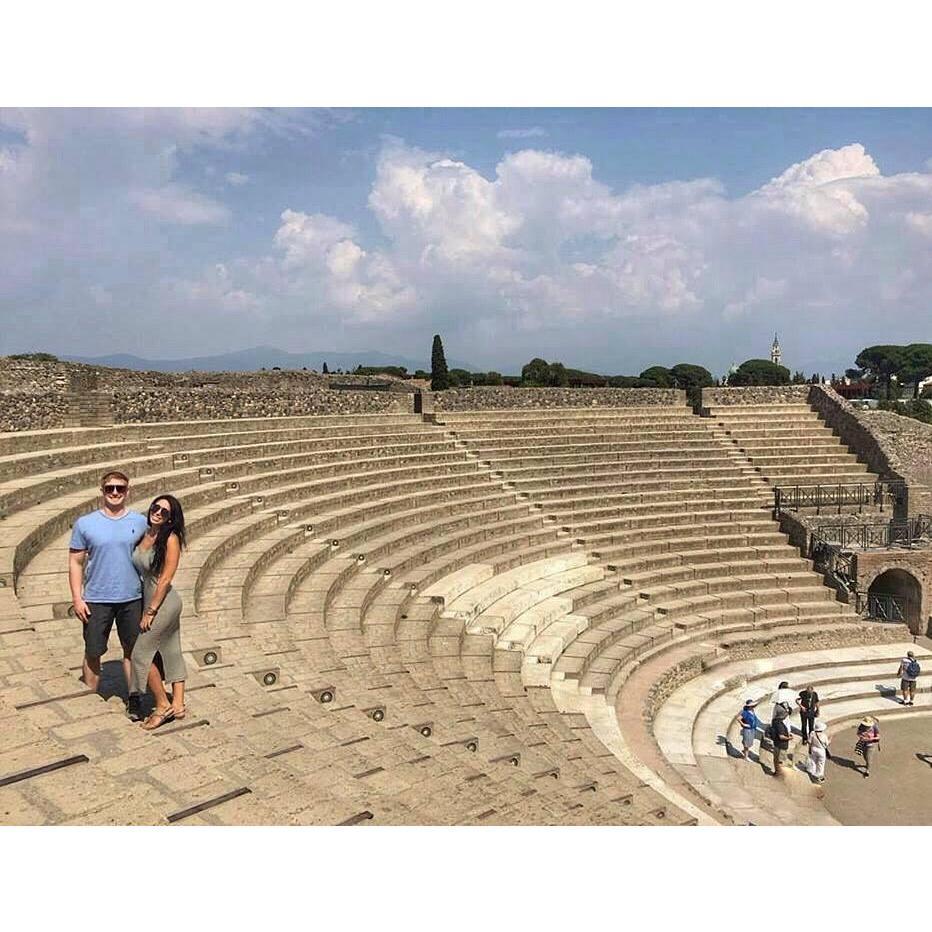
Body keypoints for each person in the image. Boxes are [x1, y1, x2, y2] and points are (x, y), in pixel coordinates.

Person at [69, 471, 148, 720]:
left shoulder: (140, 521)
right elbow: (75, 562)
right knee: (93, 651)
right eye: (110, 488)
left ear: (128, 490)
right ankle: (89, 698)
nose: (115, 493)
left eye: (120, 488)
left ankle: (134, 699)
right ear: (102, 491)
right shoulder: (85, 523)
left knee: (132, 650)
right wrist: (77, 598)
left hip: (132, 596)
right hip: (96, 597)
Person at [129, 494, 188, 731]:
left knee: (140, 653)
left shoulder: (170, 538)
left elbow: (165, 579)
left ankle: (162, 706)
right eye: (156, 507)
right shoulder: (145, 534)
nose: (158, 513)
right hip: (150, 597)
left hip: (163, 602)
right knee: (171, 648)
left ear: (171, 518)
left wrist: (150, 611)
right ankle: (179, 703)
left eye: (165, 512)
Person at [771, 711, 791, 775]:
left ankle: (777, 772)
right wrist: (789, 738)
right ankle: (779, 773)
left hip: (776, 743)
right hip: (781, 745)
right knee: (780, 760)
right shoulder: (780, 725)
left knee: (776, 759)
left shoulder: (774, 721)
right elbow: (781, 737)